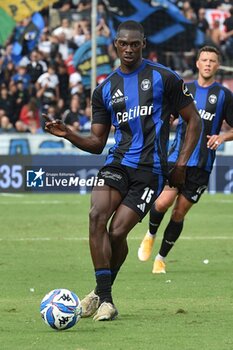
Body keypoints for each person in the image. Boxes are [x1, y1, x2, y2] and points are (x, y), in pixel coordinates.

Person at [44, 20, 201, 321]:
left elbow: (194, 120)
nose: (128, 49)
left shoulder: (164, 78)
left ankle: (100, 292)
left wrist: (180, 165)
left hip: (151, 170)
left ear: (143, 44)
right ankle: (106, 300)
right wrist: (68, 134)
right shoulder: (104, 90)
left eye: (134, 44)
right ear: (115, 45)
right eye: (123, 44)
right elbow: (96, 143)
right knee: (95, 216)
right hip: (118, 164)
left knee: (117, 233)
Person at [138, 46, 233, 274]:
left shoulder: (224, 95)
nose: (208, 63)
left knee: (179, 213)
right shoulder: (185, 89)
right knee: (161, 203)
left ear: (217, 66)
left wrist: (223, 136)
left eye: (212, 60)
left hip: (202, 164)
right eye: (204, 60)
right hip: (177, 158)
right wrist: (169, 119)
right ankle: (150, 235)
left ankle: (160, 258)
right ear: (197, 64)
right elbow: (168, 114)